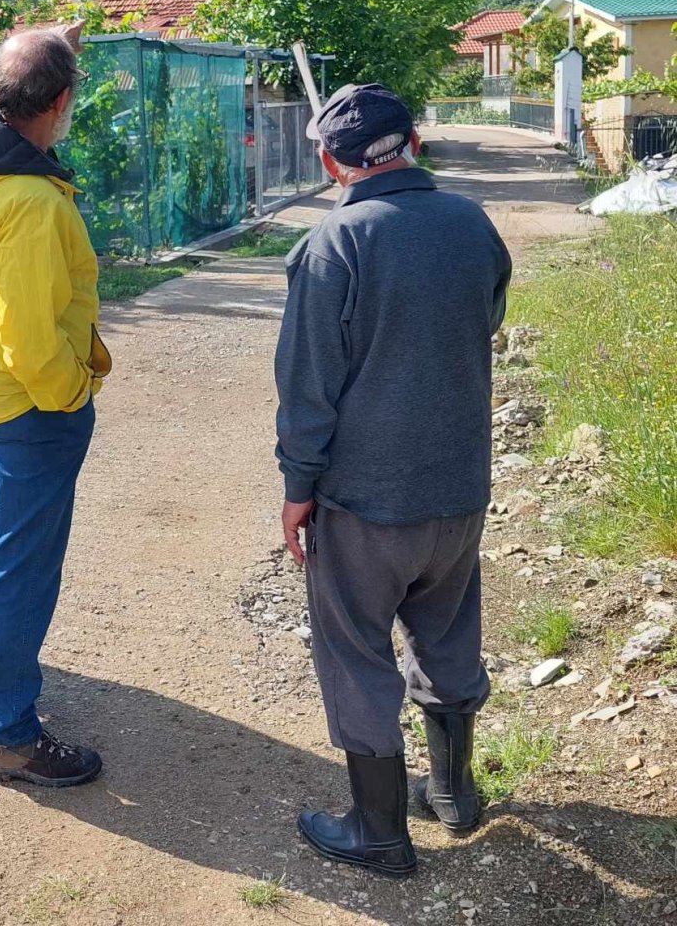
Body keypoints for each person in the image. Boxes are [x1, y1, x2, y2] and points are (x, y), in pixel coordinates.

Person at [275, 84, 511, 877]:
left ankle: (378, 831)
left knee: (356, 650)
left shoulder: (333, 244)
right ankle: (452, 794)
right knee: (447, 630)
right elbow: (485, 322)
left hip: (366, 499)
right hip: (459, 490)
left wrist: (297, 484)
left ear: (329, 161)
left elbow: (308, 386)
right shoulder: (473, 226)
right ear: (413, 140)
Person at [0, 25, 111, 789]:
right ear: (61, 102)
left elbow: (10, 90)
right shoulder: (30, 202)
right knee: (20, 563)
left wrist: (42, 44)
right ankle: (5, 736)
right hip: (29, 405)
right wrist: (73, 394)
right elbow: (34, 343)